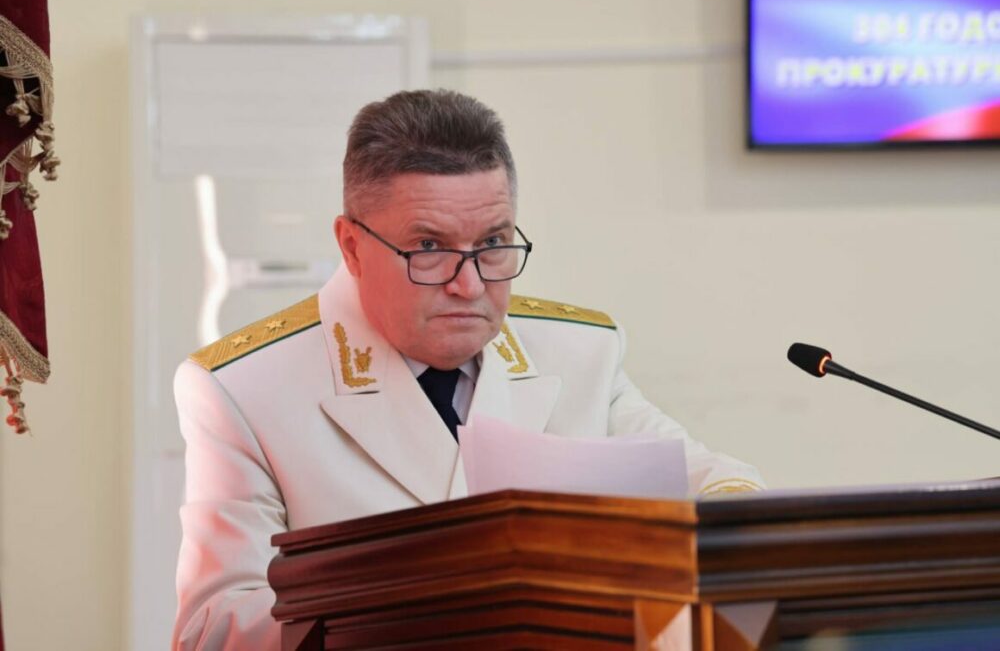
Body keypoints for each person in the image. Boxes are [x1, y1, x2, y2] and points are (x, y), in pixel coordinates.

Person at [172, 89, 764, 650]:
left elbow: (716, 488)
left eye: (493, 242)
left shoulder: (579, 351)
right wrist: (415, 591)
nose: (470, 285)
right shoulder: (244, 388)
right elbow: (210, 629)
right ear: (351, 246)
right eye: (430, 248)